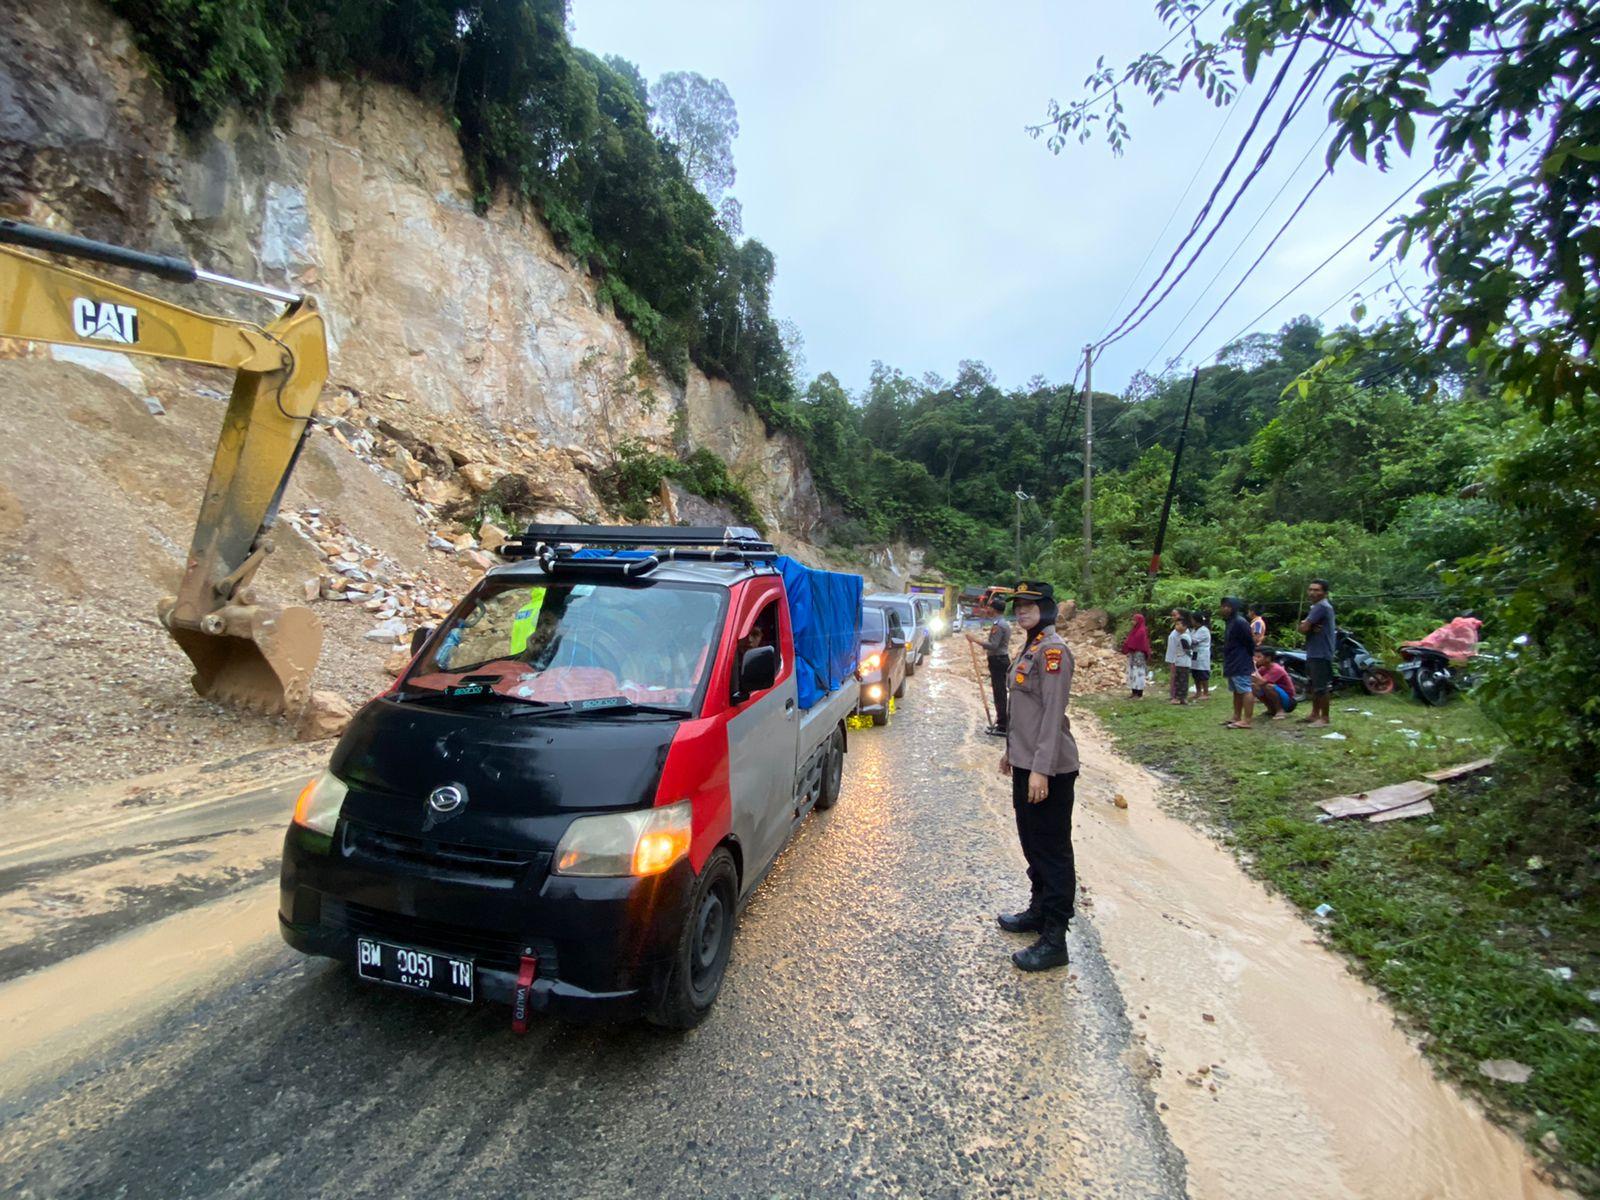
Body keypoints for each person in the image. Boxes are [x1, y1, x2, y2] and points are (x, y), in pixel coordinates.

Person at [995, 580, 1079, 973]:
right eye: (1019, 606)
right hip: (1027, 763)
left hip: (1050, 769)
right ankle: (1038, 910)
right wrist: (1012, 753)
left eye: (1031, 605)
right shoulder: (1030, 646)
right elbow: (1022, 712)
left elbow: (1050, 715)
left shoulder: (1053, 652)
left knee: (1052, 850)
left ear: (1047, 608)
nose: (1022, 611)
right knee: (1031, 840)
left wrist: (1040, 770)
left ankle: (1055, 937)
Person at [965, 603, 1013, 736]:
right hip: (1000, 660)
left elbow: (993, 645)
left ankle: (1002, 725)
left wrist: (975, 640)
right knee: (1000, 692)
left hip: (998, 660)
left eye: (989, 607)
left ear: (994, 609)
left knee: (1000, 693)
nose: (987, 610)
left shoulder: (999, 625)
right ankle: (1001, 722)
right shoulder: (1002, 623)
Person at [1299, 579, 1336, 728]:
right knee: (1314, 684)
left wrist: (1306, 625)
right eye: (1311, 589)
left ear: (1325, 593)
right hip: (1315, 650)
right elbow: (1306, 628)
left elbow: (1303, 629)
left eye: (1317, 590)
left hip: (1321, 652)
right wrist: (1307, 626)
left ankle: (1324, 718)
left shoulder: (1321, 607)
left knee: (1321, 686)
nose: (1313, 592)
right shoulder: (1317, 607)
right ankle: (1315, 714)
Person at [1219, 597, 1256, 729]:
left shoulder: (1240, 622)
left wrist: (1248, 655)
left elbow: (1249, 641)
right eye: (1223, 606)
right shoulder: (1230, 622)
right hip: (1232, 660)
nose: (1225, 608)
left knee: (1245, 689)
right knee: (1236, 690)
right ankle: (1236, 716)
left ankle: (1247, 720)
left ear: (1234, 607)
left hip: (1241, 660)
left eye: (1228, 606)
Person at [1250, 647, 1297, 721]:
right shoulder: (1264, 668)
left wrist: (1254, 667)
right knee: (1253, 686)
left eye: (1259, 657)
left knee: (1268, 686)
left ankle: (1280, 711)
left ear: (1268, 658)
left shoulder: (1276, 669)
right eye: (1254, 656)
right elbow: (1253, 679)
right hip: (1277, 695)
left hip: (1288, 701)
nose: (1255, 659)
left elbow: (1261, 682)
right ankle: (1271, 709)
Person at [1120, 613, 1151, 699]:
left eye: (1134, 620)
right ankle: (1133, 691)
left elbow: (1137, 642)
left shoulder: (1141, 631)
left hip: (1139, 654)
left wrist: (1129, 646)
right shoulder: (1134, 630)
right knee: (1132, 673)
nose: (1132, 622)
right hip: (1133, 654)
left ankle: (1139, 692)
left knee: (1138, 673)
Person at [1164, 610, 1192, 704]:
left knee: (1180, 679)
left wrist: (1188, 656)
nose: (1176, 626)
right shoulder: (1179, 633)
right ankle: (1178, 696)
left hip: (1181, 660)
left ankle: (1178, 697)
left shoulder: (1184, 636)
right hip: (1178, 659)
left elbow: (1187, 650)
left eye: (1175, 615)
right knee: (1179, 678)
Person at [1189, 610, 1213, 700]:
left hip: (1202, 654)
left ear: (1196, 620)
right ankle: (1198, 692)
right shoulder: (1194, 630)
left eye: (1192, 620)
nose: (1191, 621)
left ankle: (1205, 692)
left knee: (1203, 673)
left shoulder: (1204, 630)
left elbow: (1193, 641)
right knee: (1195, 673)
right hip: (1195, 653)